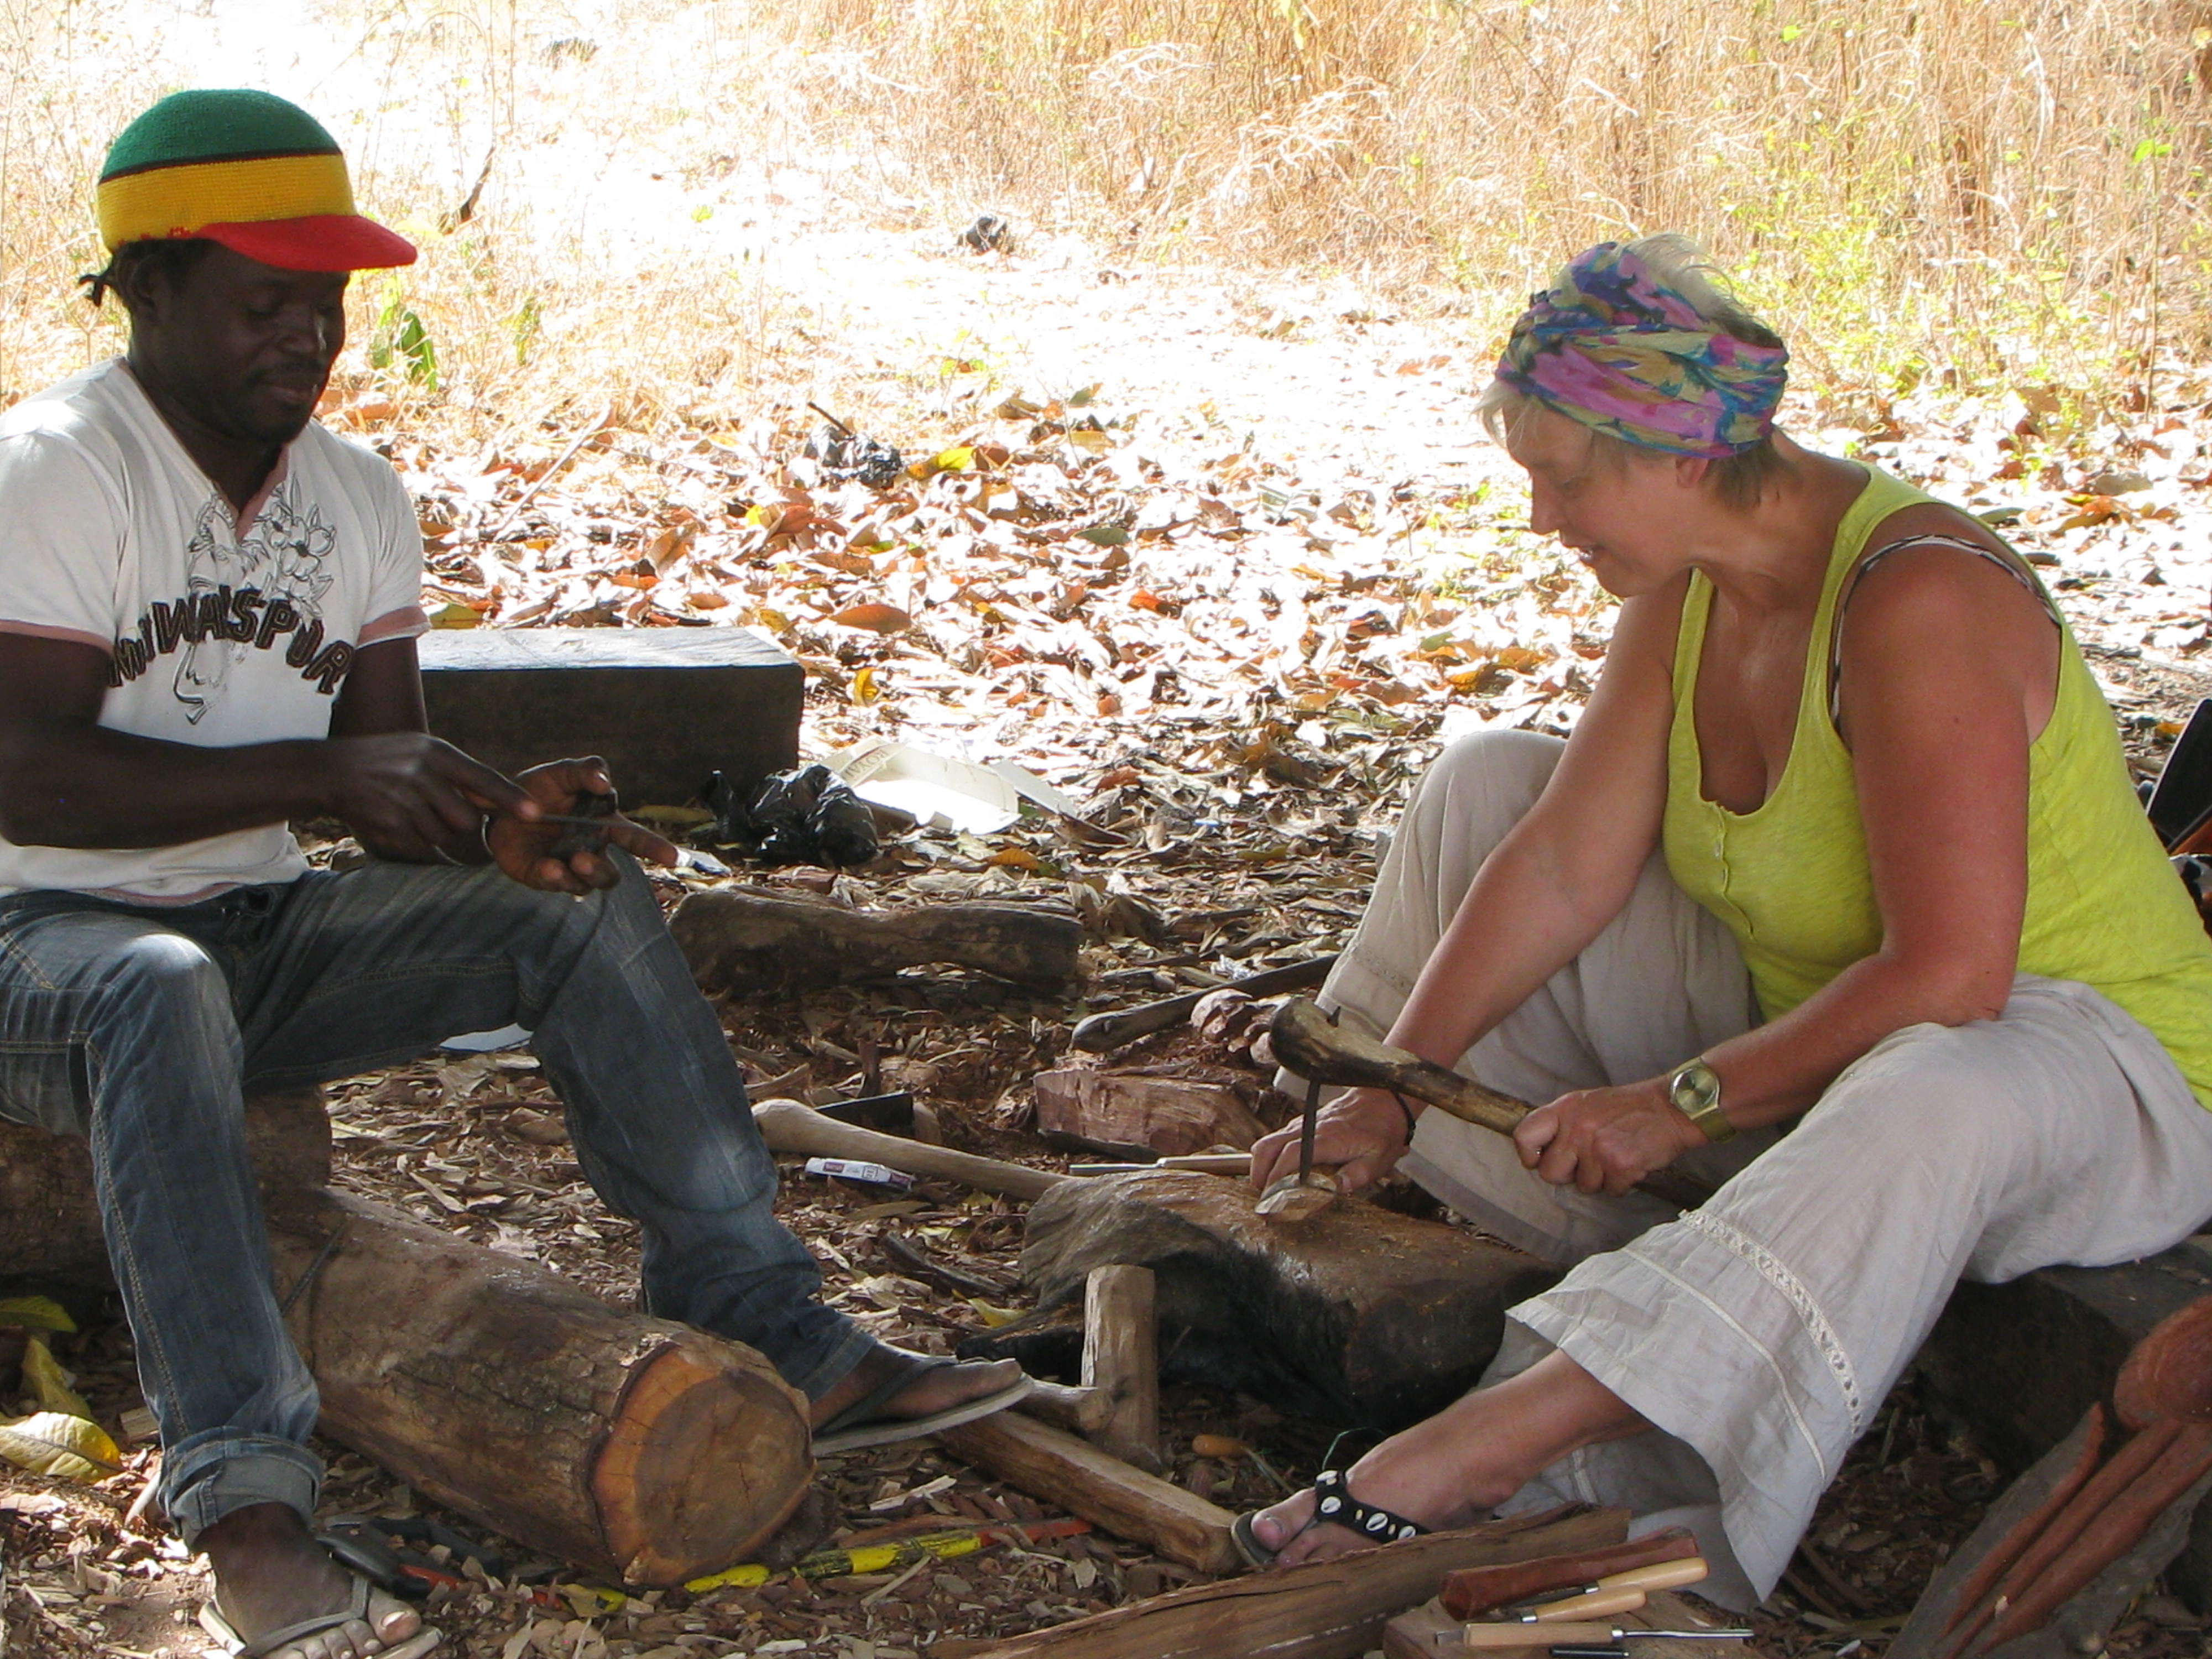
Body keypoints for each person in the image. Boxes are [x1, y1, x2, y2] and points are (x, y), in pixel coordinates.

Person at [0, 89, 1027, 1659]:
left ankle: (759, 1312)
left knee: (582, 905)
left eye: (327, 302)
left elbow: (381, 771)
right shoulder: (56, 472)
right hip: (41, 950)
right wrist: (325, 776)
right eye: (261, 300)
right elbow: (27, 769)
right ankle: (248, 1509)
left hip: (249, 934)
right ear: (143, 290)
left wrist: (502, 828)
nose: (307, 337)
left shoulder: (353, 500)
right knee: (155, 988)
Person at [1237, 236, 2212, 1606]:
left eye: (1563, 481)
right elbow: (1566, 862)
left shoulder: (1918, 595)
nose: (1541, 520)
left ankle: (1506, 1443)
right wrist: (1391, 1081)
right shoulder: (1689, 586)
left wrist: (1685, 1099)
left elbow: (1952, 974)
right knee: (1486, 783)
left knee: (1940, 1073)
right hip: (1838, 1036)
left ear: (1679, 456)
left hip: (2099, 1073)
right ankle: (1441, 1199)